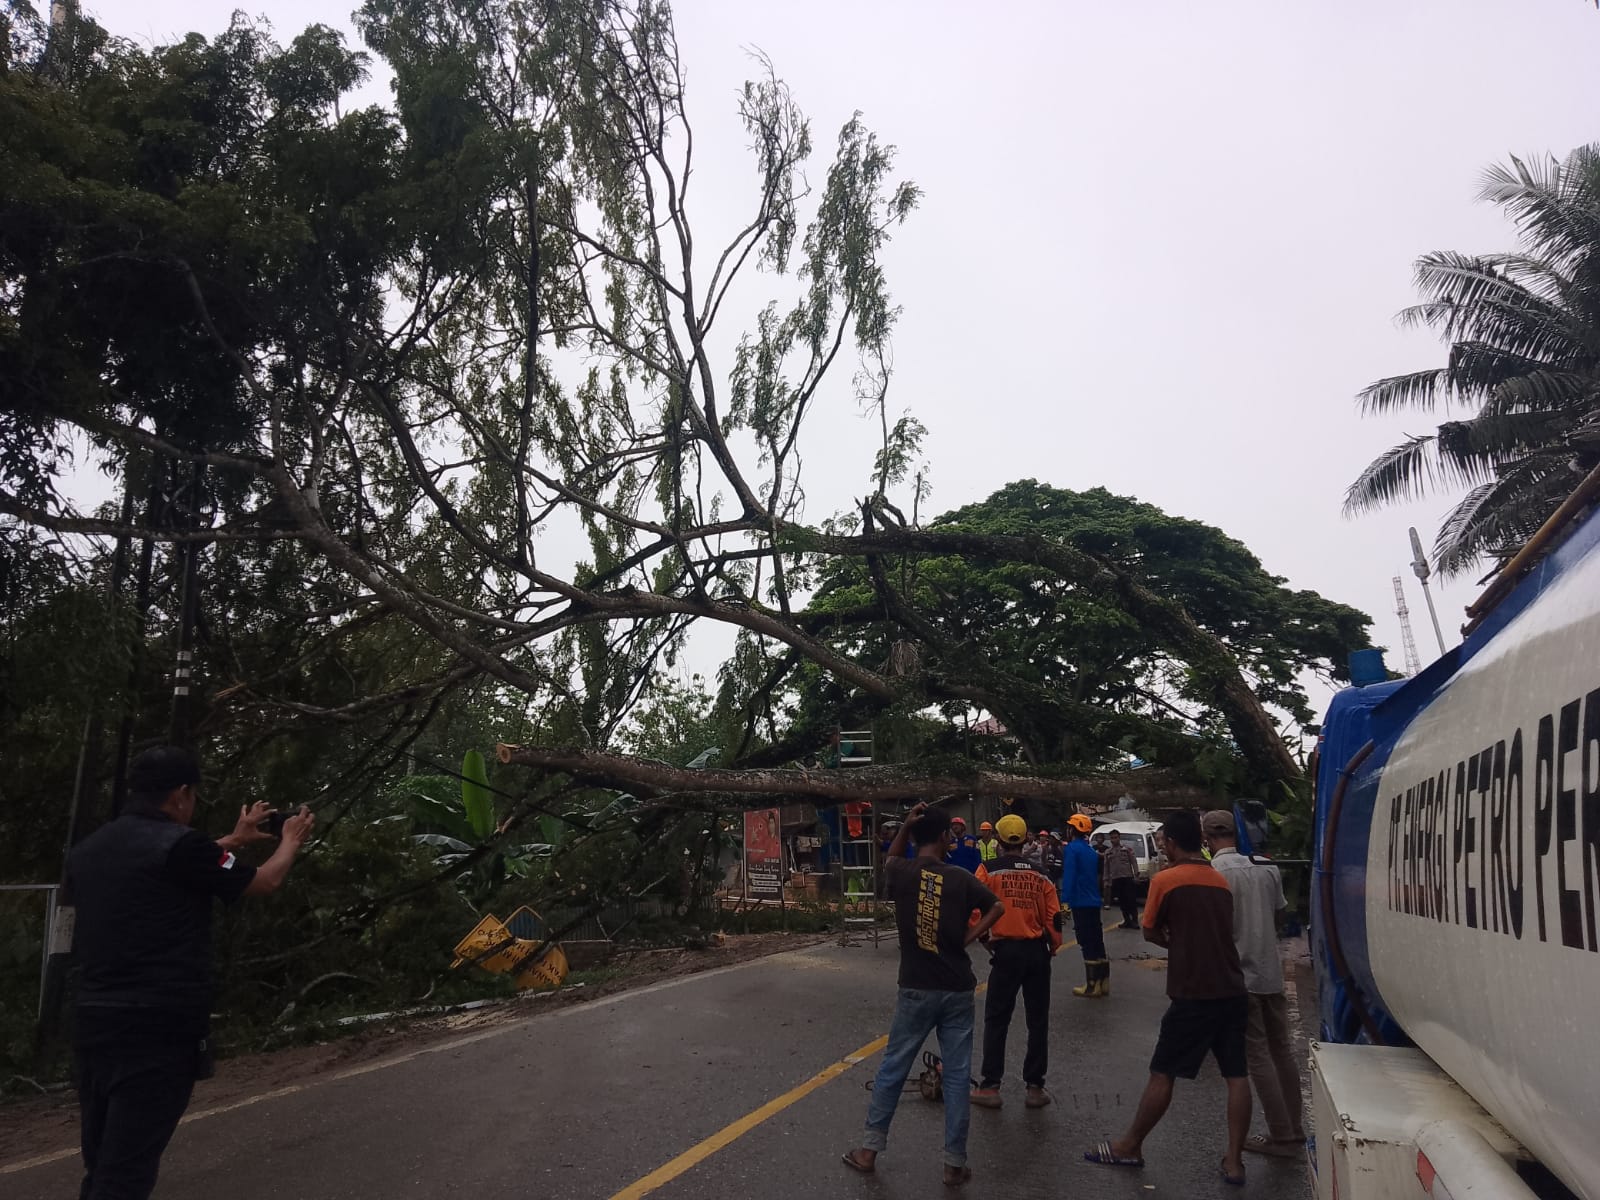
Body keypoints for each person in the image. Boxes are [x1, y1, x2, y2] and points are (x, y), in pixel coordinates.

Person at [66, 745, 315, 1200]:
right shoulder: (182, 846)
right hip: (157, 1027)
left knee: (102, 1162)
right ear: (181, 794)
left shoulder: (90, 849)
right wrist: (291, 839)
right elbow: (265, 881)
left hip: (94, 1022)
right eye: (194, 795)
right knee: (126, 1174)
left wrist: (234, 839)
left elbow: (168, 865)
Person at [1083, 809, 1251, 1187]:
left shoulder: (1166, 879)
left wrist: (1176, 944)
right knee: (1236, 1075)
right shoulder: (1219, 880)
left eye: (1163, 842)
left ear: (1172, 843)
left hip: (1193, 992)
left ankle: (1130, 1146)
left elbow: (1149, 930)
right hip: (1232, 988)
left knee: (1163, 1072)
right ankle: (1235, 1162)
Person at [843, 804, 1003, 1187]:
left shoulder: (902, 872)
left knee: (894, 1068)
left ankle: (868, 1152)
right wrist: (967, 938)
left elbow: (891, 857)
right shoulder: (961, 878)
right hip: (957, 988)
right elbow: (996, 907)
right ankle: (953, 1165)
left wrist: (906, 827)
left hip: (916, 987)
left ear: (914, 837)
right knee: (957, 1076)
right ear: (946, 837)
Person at [1203, 810, 1304, 1160]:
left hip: (1240, 977)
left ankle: (1282, 1136)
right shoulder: (1266, 867)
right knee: (1282, 1051)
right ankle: (1295, 1129)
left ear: (1206, 838)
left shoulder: (1214, 873)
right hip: (1270, 972)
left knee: (1257, 1056)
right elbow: (1279, 914)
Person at [970, 814, 1061, 1109]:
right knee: (1037, 1021)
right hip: (1036, 953)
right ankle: (1035, 1088)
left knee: (997, 1018)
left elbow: (974, 907)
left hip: (1005, 953)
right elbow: (1054, 917)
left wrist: (983, 938)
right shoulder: (1041, 874)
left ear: (998, 839)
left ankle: (990, 1087)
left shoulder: (988, 870)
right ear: (1024, 840)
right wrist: (1053, 946)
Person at [1058, 814, 1108, 998]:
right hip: (1093, 901)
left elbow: (1069, 875)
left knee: (1086, 942)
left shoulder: (1072, 849)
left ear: (1072, 829)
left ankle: (1092, 986)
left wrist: (1065, 901)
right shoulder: (1090, 850)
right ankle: (1104, 982)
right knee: (1097, 941)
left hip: (1080, 901)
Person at [1105, 829, 1141, 929]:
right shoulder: (1108, 852)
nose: (1114, 840)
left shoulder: (1126, 849)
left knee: (1131, 900)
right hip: (1116, 879)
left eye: (1115, 837)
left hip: (1127, 878)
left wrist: (1136, 875)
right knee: (1122, 901)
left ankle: (1135, 921)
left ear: (1119, 838)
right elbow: (1106, 867)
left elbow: (1133, 862)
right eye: (1112, 838)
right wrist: (1106, 880)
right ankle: (1127, 920)